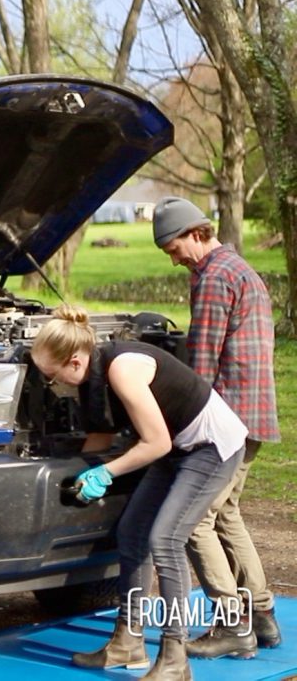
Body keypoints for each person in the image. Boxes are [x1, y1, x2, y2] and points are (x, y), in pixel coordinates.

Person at [31, 305, 247, 681]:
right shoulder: (92, 377)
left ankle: (175, 659)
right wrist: (77, 480)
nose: (53, 384)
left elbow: (157, 442)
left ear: (76, 362)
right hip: (178, 445)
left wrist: (106, 472)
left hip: (210, 446)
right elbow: (101, 434)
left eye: (52, 376)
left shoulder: (123, 369)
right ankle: (127, 643)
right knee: (132, 533)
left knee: (165, 539)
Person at [153, 196, 282, 656]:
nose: (174, 258)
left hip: (225, 420)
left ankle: (232, 625)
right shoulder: (239, 268)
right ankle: (263, 616)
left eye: (174, 246)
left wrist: (178, 425)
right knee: (226, 514)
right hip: (255, 414)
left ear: (197, 233)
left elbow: (201, 365)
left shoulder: (214, 278)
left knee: (194, 524)